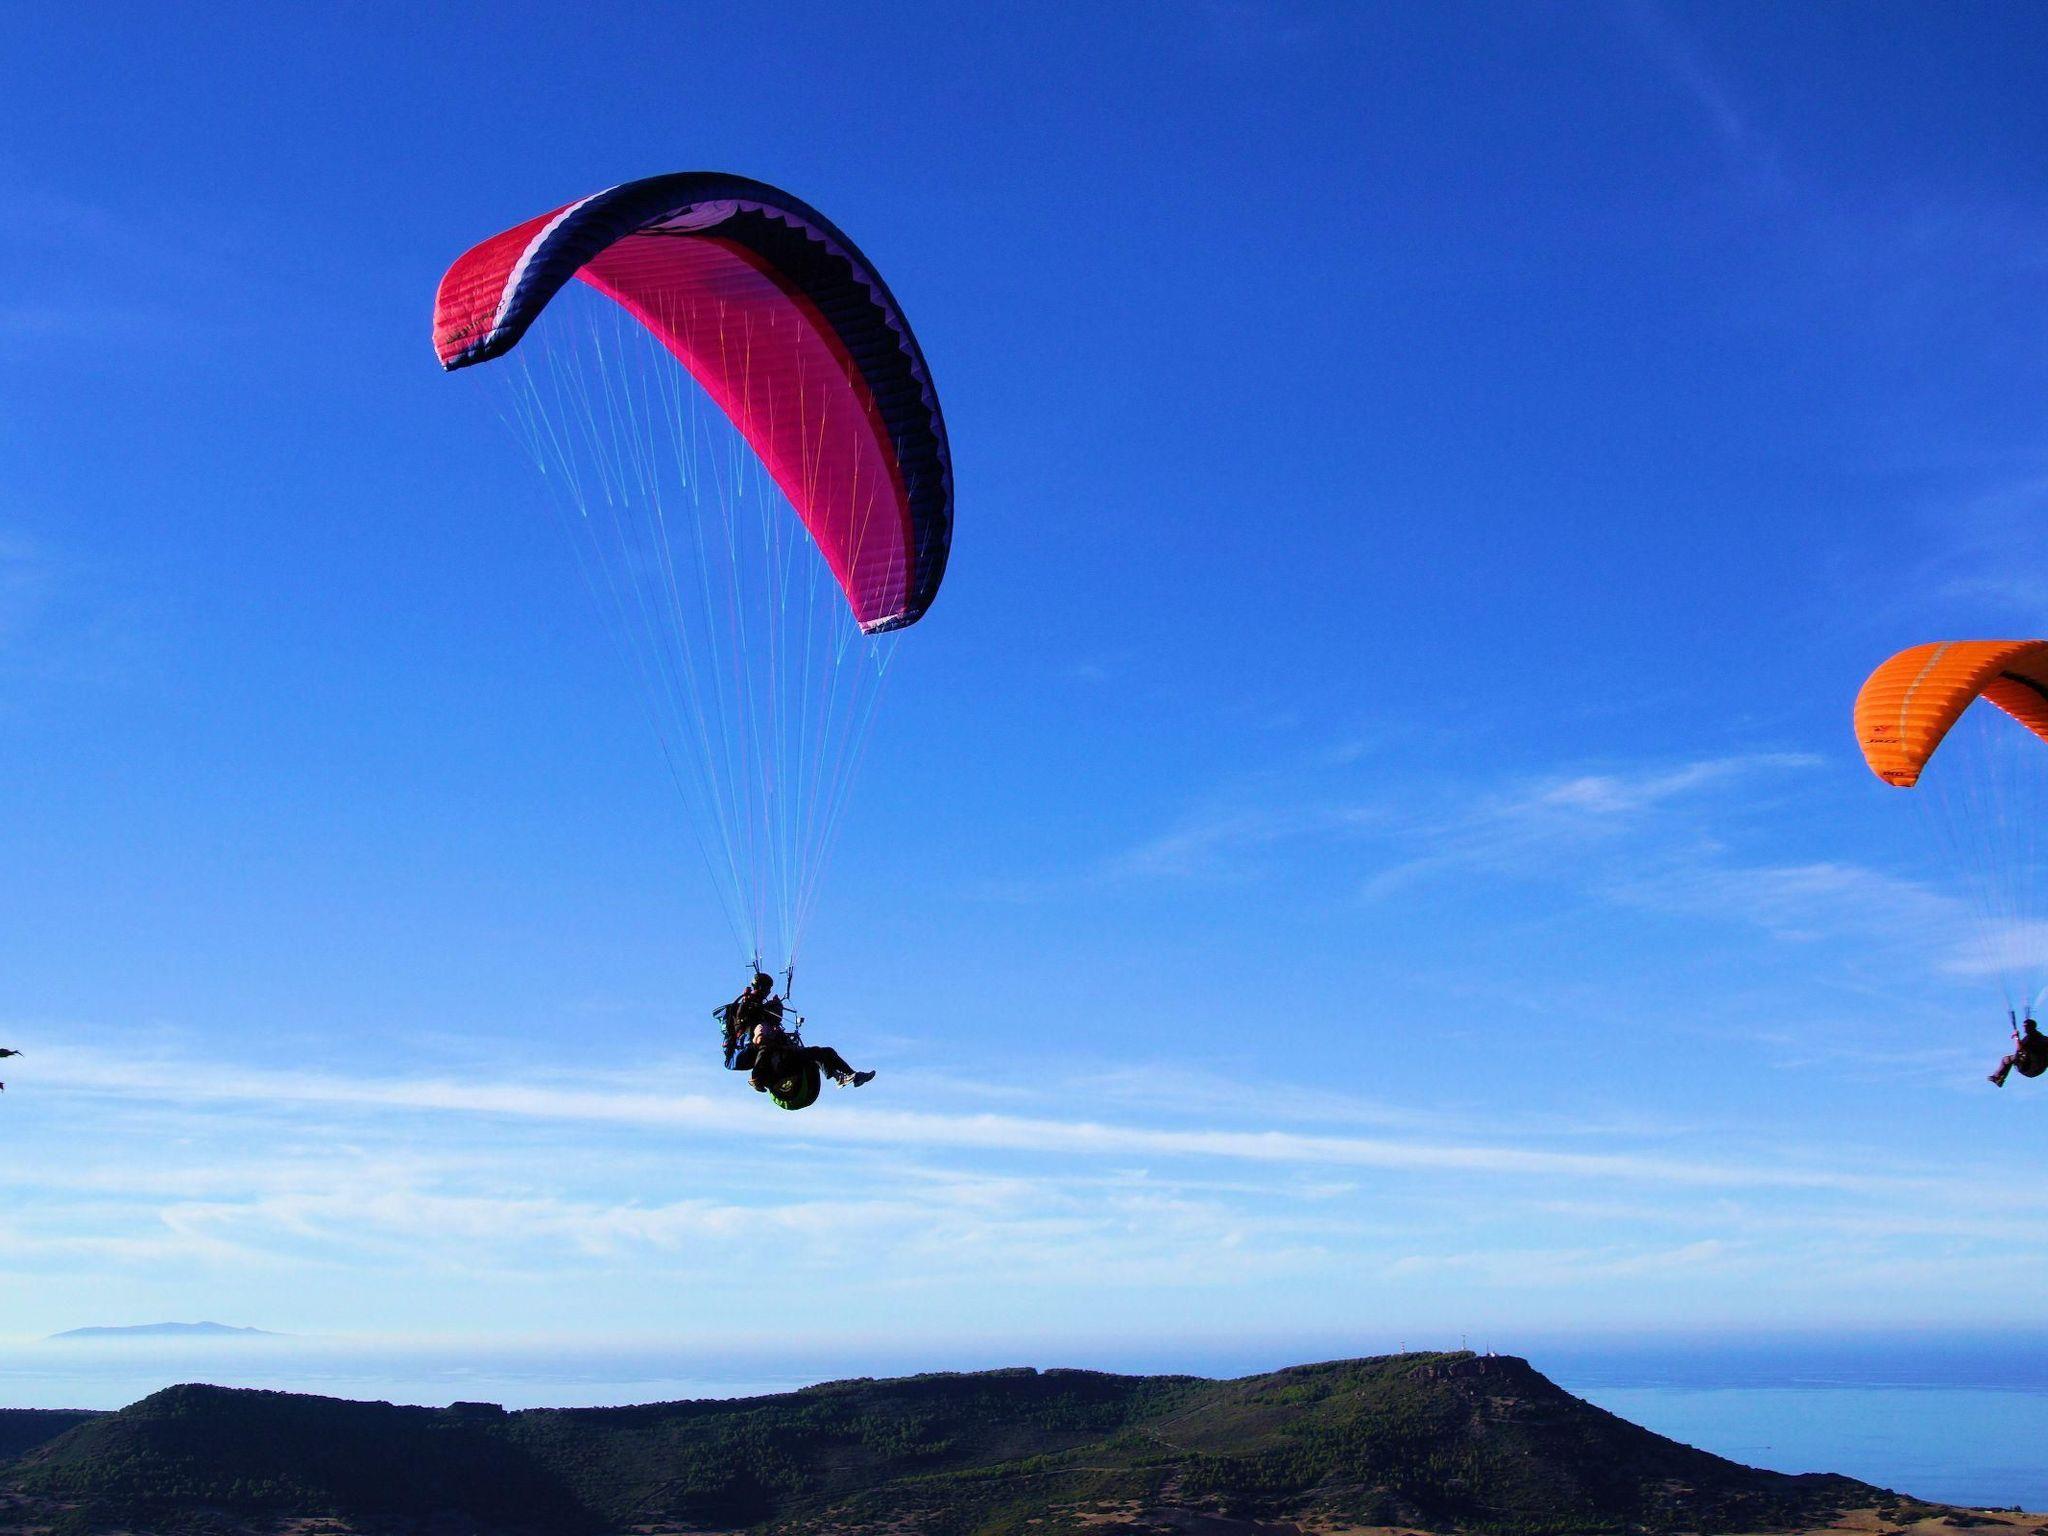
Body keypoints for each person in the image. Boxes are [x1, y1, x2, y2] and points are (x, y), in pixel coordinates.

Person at [720, 973, 875, 1090]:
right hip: (763, 1055)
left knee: (824, 1052)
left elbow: (773, 1024)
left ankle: (848, 1076)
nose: (769, 992)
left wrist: (775, 1009)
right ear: (762, 988)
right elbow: (749, 1029)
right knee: (765, 1042)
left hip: (782, 1054)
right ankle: (757, 1078)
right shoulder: (746, 1007)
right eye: (768, 989)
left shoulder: (763, 1011)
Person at [1989, 1019, 2048, 1087]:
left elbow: (2020, 1049)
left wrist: (2016, 1037)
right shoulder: (2044, 1038)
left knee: (2006, 1060)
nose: (2024, 1029)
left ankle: (1998, 1078)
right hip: (2039, 1069)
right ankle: (1999, 1079)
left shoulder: (2029, 1038)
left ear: (2030, 1027)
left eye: (2026, 1026)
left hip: (2028, 1067)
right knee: (2013, 1059)